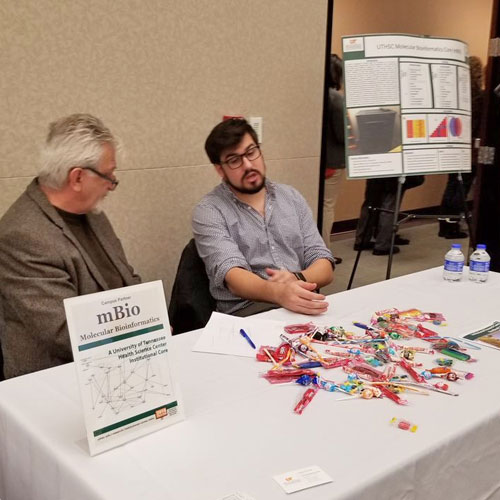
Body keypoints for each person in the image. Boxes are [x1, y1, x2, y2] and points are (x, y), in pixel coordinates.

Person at [0, 114, 141, 378]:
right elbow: (63, 332)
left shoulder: (92, 212)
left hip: (117, 364)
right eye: (108, 176)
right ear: (77, 178)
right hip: (56, 379)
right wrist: (142, 334)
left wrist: (151, 319)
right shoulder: (21, 236)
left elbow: (126, 278)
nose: (112, 185)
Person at [193, 118, 335, 317]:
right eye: (234, 160)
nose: (248, 165)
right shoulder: (209, 210)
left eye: (251, 152)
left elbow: (324, 265)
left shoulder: (291, 197)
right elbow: (233, 277)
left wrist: (296, 278)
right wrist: (279, 293)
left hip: (301, 301)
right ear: (220, 169)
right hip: (247, 313)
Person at [438, 56, 484, 239]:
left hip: (453, 146)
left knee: (452, 185)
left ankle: (445, 224)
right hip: (470, 148)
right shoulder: (480, 97)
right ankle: (452, 226)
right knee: (461, 188)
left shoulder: (456, 94)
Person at [322, 54, 346, 264]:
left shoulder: (316, 95)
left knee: (318, 207)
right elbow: (342, 134)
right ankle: (324, 254)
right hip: (333, 162)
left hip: (319, 161)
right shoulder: (336, 98)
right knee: (327, 207)